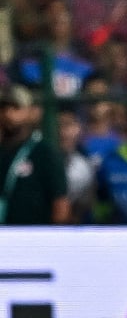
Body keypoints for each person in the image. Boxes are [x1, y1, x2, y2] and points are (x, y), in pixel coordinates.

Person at [0, 84, 69, 225]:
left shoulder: (44, 153)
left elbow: (60, 203)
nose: (8, 114)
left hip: (32, 237)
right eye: (3, 108)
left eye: (16, 108)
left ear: (31, 112)